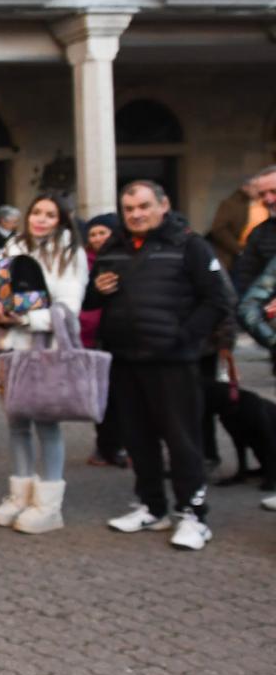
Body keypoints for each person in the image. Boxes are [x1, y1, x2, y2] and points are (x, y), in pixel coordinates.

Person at [91, 181, 234, 551]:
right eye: (129, 208)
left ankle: (193, 515)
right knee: (138, 438)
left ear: (163, 205)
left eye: (143, 206)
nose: (136, 214)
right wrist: (98, 289)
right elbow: (94, 294)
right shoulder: (114, 246)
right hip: (125, 359)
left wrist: (186, 338)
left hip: (173, 362)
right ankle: (152, 507)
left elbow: (218, 299)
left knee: (182, 440)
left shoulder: (190, 245)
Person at [0, 194, 88, 535]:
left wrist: (23, 318)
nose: (41, 219)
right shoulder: (13, 247)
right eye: (36, 212)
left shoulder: (69, 253)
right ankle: (19, 496)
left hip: (43, 349)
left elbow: (67, 311)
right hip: (10, 348)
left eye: (50, 214)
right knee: (16, 423)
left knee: (46, 423)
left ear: (62, 220)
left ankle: (49, 504)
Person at [80, 214, 129, 469]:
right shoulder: (82, 262)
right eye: (93, 234)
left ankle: (121, 445)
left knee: (121, 395)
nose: (98, 238)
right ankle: (104, 445)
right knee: (99, 396)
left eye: (103, 232)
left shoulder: (123, 258)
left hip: (119, 335)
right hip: (90, 336)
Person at [209, 174, 268, 275]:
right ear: (245, 187)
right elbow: (219, 229)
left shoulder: (267, 202)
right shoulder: (231, 204)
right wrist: (239, 250)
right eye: (255, 186)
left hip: (265, 251)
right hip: (239, 255)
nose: (259, 190)